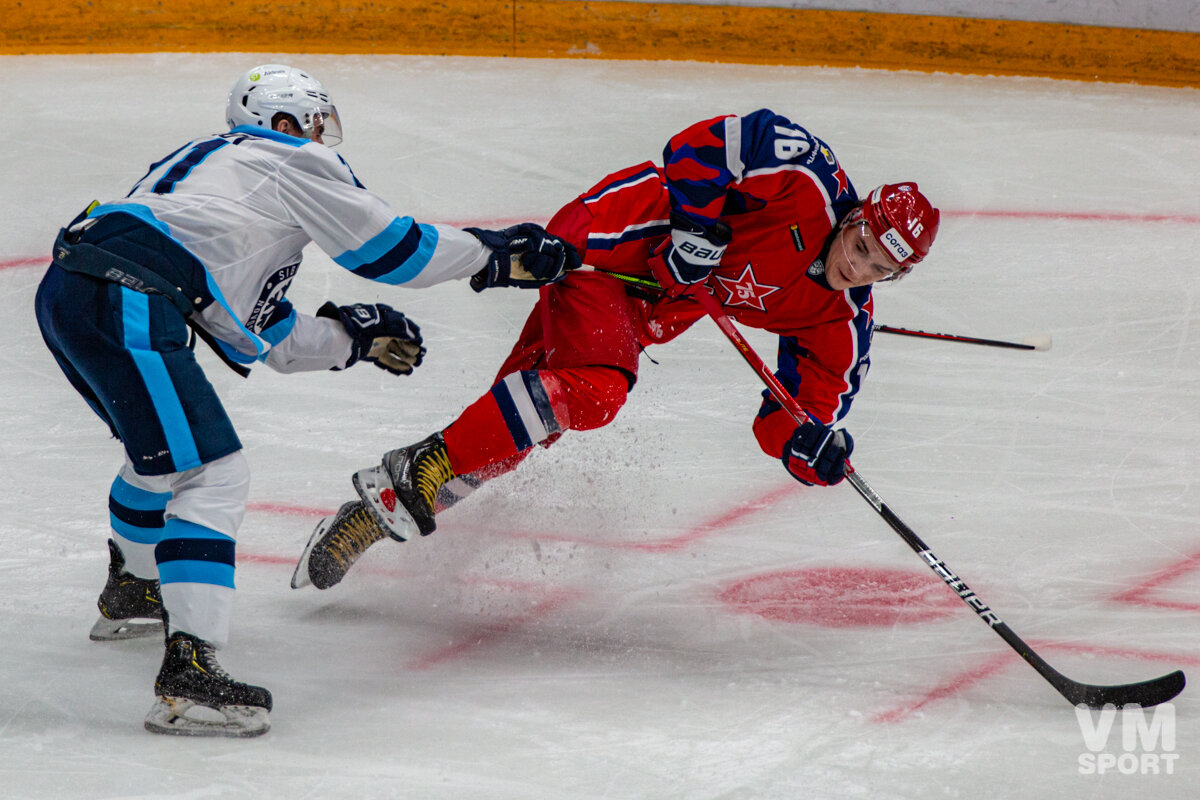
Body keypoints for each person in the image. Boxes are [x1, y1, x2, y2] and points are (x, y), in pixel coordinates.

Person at [34, 64, 576, 737]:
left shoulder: (214, 180)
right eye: (316, 122)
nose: (324, 137)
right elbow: (392, 250)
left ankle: (133, 590)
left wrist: (354, 337)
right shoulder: (284, 159)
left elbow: (266, 333)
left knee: (163, 458)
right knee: (212, 471)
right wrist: (495, 255)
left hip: (72, 289)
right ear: (285, 123)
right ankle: (189, 677)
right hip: (130, 300)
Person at [292, 108, 939, 593]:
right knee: (597, 392)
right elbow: (699, 146)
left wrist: (808, 448)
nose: (860, 269)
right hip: (607, 244)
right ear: (856, 216)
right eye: (861, 248)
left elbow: (794, 416)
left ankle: (377, 508)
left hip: (644, 307)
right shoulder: (805, 179)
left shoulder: (841, 321)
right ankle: (416, 468)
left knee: (523, 427)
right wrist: (698, 226)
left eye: (880, 269)